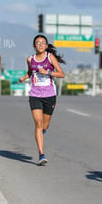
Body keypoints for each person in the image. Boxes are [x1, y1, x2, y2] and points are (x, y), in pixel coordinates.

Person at [19, 34, 65, 165]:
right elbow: (30, 72)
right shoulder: (30, 59)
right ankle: (41, 154)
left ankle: (43, 131)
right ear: (34, 46)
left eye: (42, 43)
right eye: (37, 43)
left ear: (46, 45)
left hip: (49, 95)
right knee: (38, 124)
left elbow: (61, 74)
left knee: (45, 125)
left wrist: (48, 72)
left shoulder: (50, 57)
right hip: (35, 95)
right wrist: (23, 77)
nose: (40, 45)